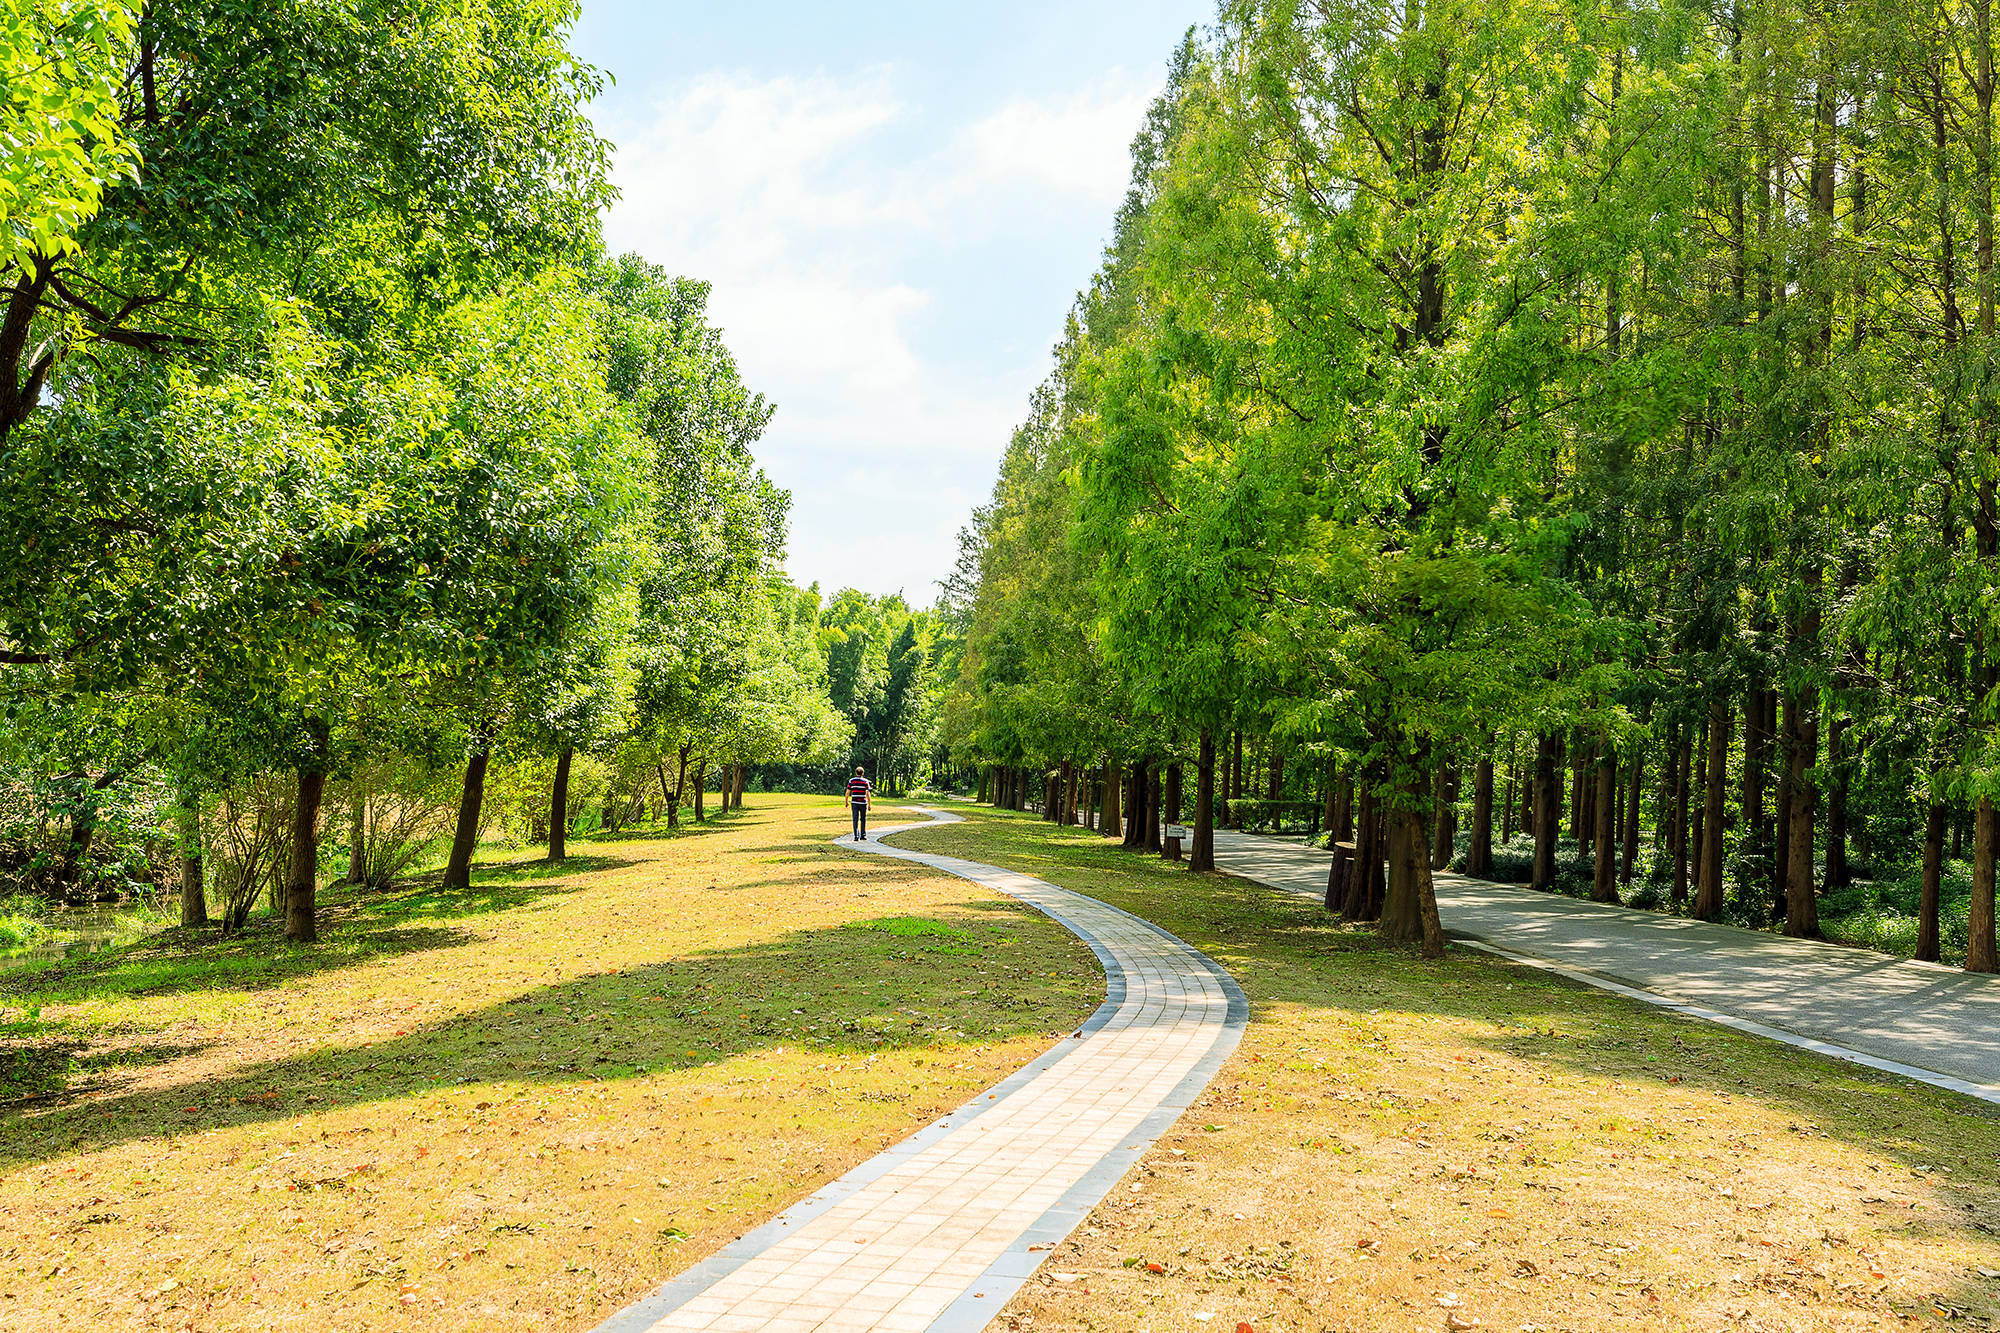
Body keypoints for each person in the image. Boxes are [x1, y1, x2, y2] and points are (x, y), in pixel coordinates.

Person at [845, 766, 873, 841]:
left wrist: (846, 801)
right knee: (863, 819)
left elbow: (848, 792)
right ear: (863, 773)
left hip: (854, 802)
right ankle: (863, 835)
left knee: (855, 819)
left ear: (856, 773)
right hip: (863, 803)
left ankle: (856, 836)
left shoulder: (851, 781)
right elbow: (867, 793)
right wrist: (869, 804)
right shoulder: (865, 781)